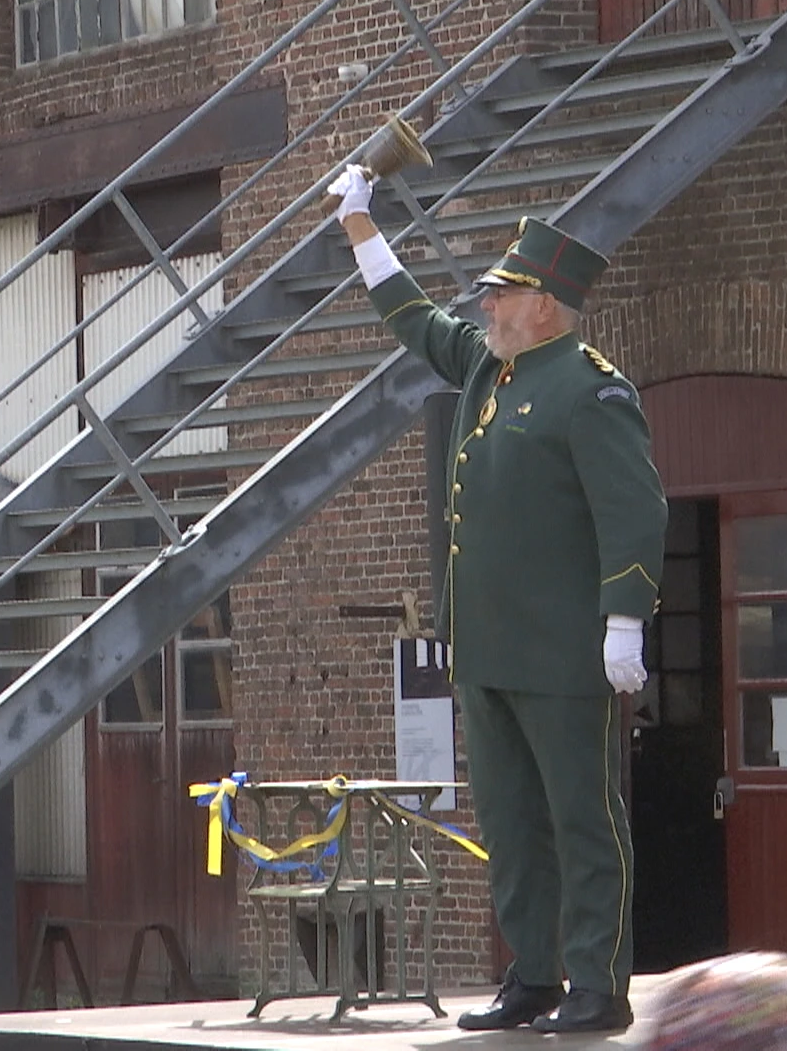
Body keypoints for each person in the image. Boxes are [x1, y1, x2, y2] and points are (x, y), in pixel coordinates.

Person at [325, 166, 668, 1034]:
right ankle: (534, 975)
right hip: (484, 649)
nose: (485, 306)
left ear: (544, 304)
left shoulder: (590, 390)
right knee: (513, 827)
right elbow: (414, 321)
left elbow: (634, 509)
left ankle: (597, 982)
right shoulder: (491, 365)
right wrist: (360, 224)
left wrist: (624, 621)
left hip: (561, 653)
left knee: (582, 821)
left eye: (501, 293)